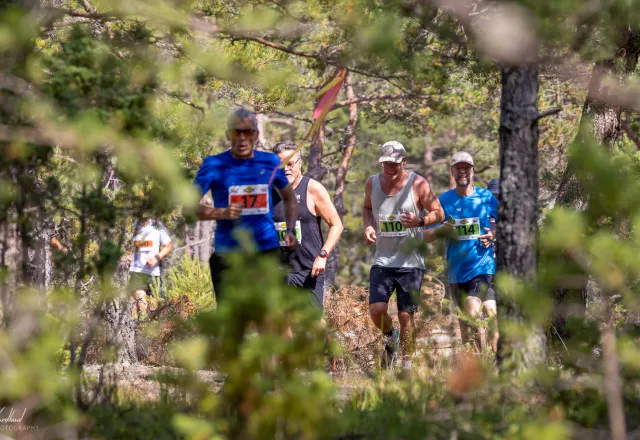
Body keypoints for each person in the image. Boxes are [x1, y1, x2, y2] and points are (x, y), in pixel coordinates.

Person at [193, 108, 299, 302]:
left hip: (266, 252)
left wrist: (290, 229)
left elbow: (290, 198)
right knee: (232, 325)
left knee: (271, 320)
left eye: (248, 132)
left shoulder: (270, 162)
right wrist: (222, 213)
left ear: (256, 135)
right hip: (228, 254)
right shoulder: (213, 164)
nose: (242, 138)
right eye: (236, 132)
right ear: (227, 134)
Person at [363, 141, 444, 369]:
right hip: (383, 259)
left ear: (404, 162)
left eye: (395, 163)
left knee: (405, 315)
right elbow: (367, 208)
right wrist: (368, 226)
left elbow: (439, 213)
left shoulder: (418, 183)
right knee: (377, 310)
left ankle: (407, 362)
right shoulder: (372, 183)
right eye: (386, 163)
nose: (390, 168)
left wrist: (420, 221)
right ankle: (391, 338)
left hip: (411, 261)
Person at [424, 152, 499, 352]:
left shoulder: (486, 197)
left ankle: (496, 364)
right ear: (452, 172)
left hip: (482, 265)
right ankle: (475, 366)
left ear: (472, 171)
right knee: (465, 324)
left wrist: (493, 234)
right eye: (458, 168)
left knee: (479, 311)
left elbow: (502, 222)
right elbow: (425, 235)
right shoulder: (444, 201)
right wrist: (441, 230)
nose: (463, 171)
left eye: (466, 167)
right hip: (456, 272)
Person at [271, 141, 344, 309]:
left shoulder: (312, 189)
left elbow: (336, 225)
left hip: (309, 270)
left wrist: (323, 256)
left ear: (300, 163)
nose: (285, 169)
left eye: (289, 164)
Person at [127, 218, 173, 318]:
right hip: (136, 272)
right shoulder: (130, 226)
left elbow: (168, 246)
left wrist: (157, 258)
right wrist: (127, 256)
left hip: (154, 273)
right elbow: (124, 246)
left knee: (154, 309)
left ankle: (149, 331)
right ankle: (140, 328)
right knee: (142, 306)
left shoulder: (157, 225)